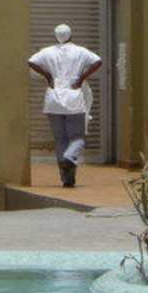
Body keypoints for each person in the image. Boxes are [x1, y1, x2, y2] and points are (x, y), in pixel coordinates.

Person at [28, 24, 103, 188]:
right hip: (73, 98)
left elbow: (31, 61)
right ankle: (69, 157)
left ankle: (67, 179)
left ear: (56, 36)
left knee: (60, 139)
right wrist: (81, 79)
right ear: (71, 35)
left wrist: (48, 76)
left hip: (53, 99)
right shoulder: (80, 51)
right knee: (77, 138)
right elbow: (98, 61)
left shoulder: (48, 51)